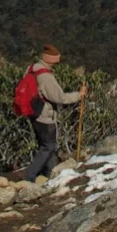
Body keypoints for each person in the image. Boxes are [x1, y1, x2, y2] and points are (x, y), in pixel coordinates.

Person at [26, 44, 87, 181]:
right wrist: (79, 95)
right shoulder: (46, 77)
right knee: (49, 146)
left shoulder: (32, 69)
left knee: (45, 146)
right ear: (52, 60)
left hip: (33, 112)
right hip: (45, 115)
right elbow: (60, 97)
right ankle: (29, 176)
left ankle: (48, 174)